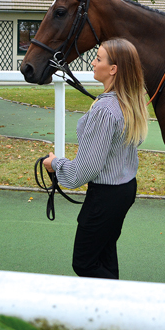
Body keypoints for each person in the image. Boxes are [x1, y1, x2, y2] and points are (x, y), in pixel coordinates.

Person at [43, 38, 149, 279]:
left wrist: (55, 164)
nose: (93, 61)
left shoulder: (104, 109)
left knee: (84, 262)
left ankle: (121, 306)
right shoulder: (129, 102)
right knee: (105, 254)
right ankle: (110, 312)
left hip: (106, 196)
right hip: (123, 190)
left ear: (113, 69)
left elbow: (86, 170)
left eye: (98, 58)